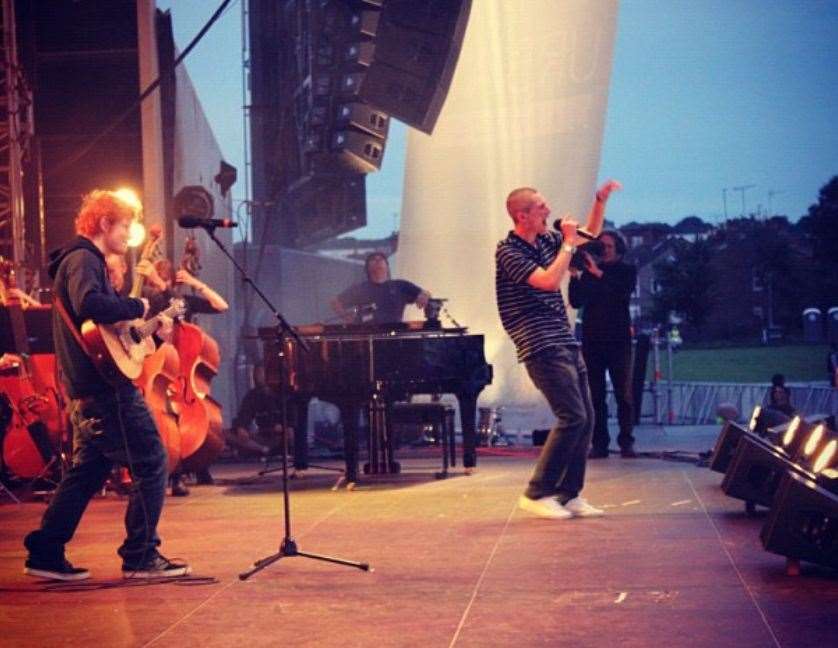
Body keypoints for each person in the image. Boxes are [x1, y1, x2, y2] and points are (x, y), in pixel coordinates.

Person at [23, 189, 190, 580]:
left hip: (89, 387)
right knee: (151, 461)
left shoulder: (78, 260)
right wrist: (140, 307)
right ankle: (140, 555)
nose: (128, 234)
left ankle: (45, 551)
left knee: (88, 471)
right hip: (105, 390)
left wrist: (144, 331)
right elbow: (92, 305)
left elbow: (102, 326)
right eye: (125, 225)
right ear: (104, 224)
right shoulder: (84, 259)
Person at [496, 180, 621, 519]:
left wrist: (599, 201)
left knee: (588, 417)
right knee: (572, 416)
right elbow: (549, 281)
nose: (548, 211)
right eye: (540, 207)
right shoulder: (509, 251)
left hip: (562, 337)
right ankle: (536, 493)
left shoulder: (549, 240)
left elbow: (591, 234)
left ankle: (568, 494)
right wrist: (567, 242)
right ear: (522, 215)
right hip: (538, 341)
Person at [138, 257, 228, 496]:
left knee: (178, 415)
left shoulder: (180, 303)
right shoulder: (146, 301)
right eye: (152, 280)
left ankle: (188, 469)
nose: (155, 286)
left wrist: (195, 283)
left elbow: (221, 305)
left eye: (161, 281)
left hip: (181, 373)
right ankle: (170, 471)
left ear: (170, 281)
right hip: (156, 365)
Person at [568, 230, 638, 458]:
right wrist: (575, 276)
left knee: (623, 394)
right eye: (601, 246)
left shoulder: (627, 271)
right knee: (595, 395)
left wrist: (597, 272)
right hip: (593, 339)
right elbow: (576, 301)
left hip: (618, 340)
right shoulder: (590, 274)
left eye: (608, 246)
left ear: (618, 247)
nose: (604, 250)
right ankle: (600, 443)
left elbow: (621, 293)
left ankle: (626, 441)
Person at [331, 252, 431, 324]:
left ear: (387, 267)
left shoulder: (401, 286)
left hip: (395, 338)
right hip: (367, 338)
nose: (378, 261)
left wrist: (425, 295)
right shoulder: (360, 289)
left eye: (381, 259)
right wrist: (346, 317)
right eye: (373, 259)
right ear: (367, 268)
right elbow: (335, 302)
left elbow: (425, 294)